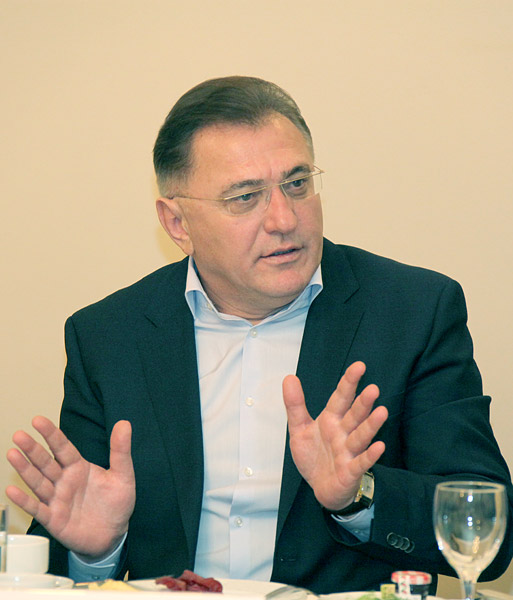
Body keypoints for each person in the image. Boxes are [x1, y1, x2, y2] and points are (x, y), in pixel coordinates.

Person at [6, 76, 513, 594]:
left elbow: (490, 531)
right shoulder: (109, 337)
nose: (284, 218)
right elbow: (65, 548)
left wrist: (358, 496)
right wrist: (97, 552)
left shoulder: (412, 312)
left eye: (297, 184)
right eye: (245, 197)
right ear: (177, 223)